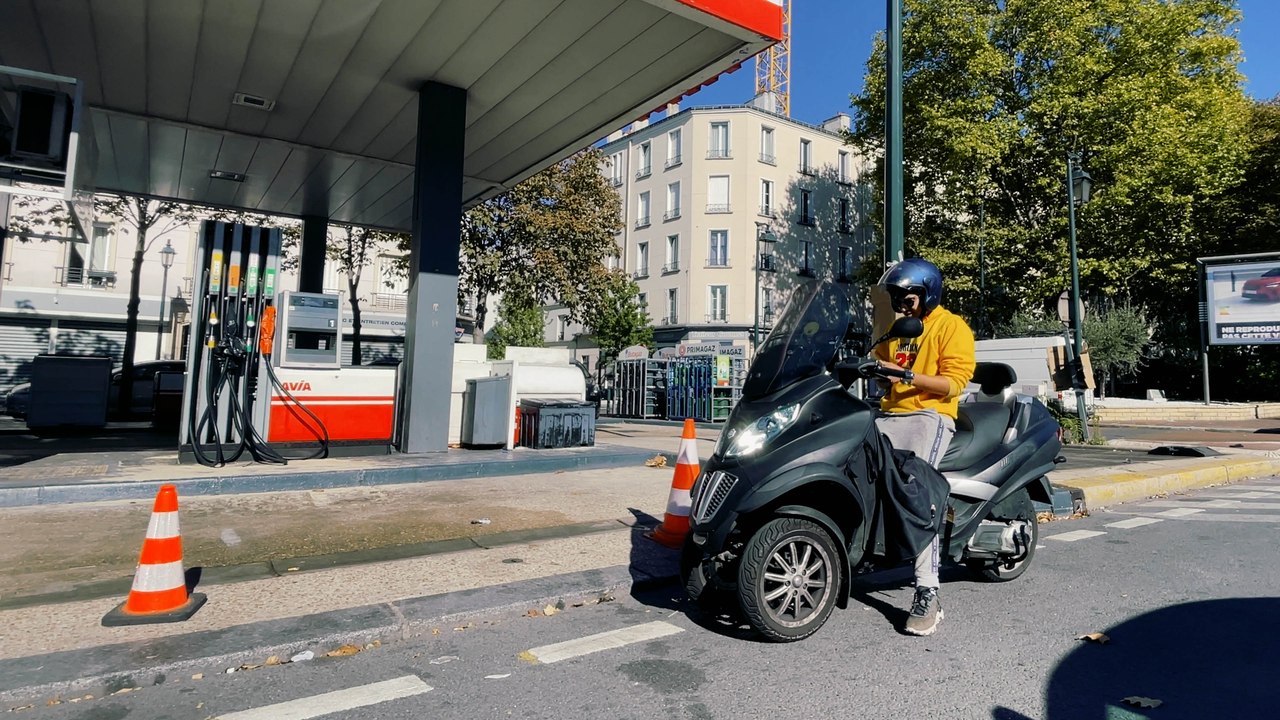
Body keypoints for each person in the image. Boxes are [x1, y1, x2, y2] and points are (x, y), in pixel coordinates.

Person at [872, 257, 976, 636]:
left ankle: (927, 590)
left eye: (908, 297)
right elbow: (883, 364)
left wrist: (907, 375)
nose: (901, 303)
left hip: (930, 416)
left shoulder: (952, 327)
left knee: (917, 493)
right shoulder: (898, 327)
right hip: (888, 413)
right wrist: (880, 376)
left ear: (928, 294)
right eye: (897, 296)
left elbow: (954, 384)